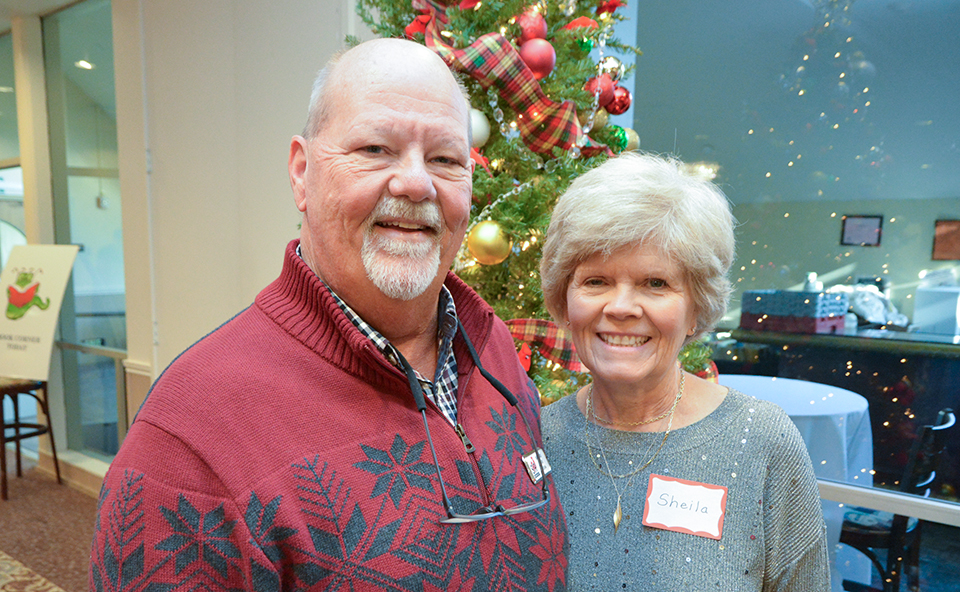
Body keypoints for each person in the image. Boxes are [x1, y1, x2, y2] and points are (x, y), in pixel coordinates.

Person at [89, 38, 568, 592]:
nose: (417, 183)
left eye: (445, 159)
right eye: (375, 149)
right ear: (302, 173)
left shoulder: (491, 348)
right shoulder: (190, 441)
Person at [539, 152, 829, 591]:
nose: (621, 307)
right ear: (565, 301)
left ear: (697, 308)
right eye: (596, 281)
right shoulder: (535, 440)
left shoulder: (762, 443)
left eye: (655, 283)